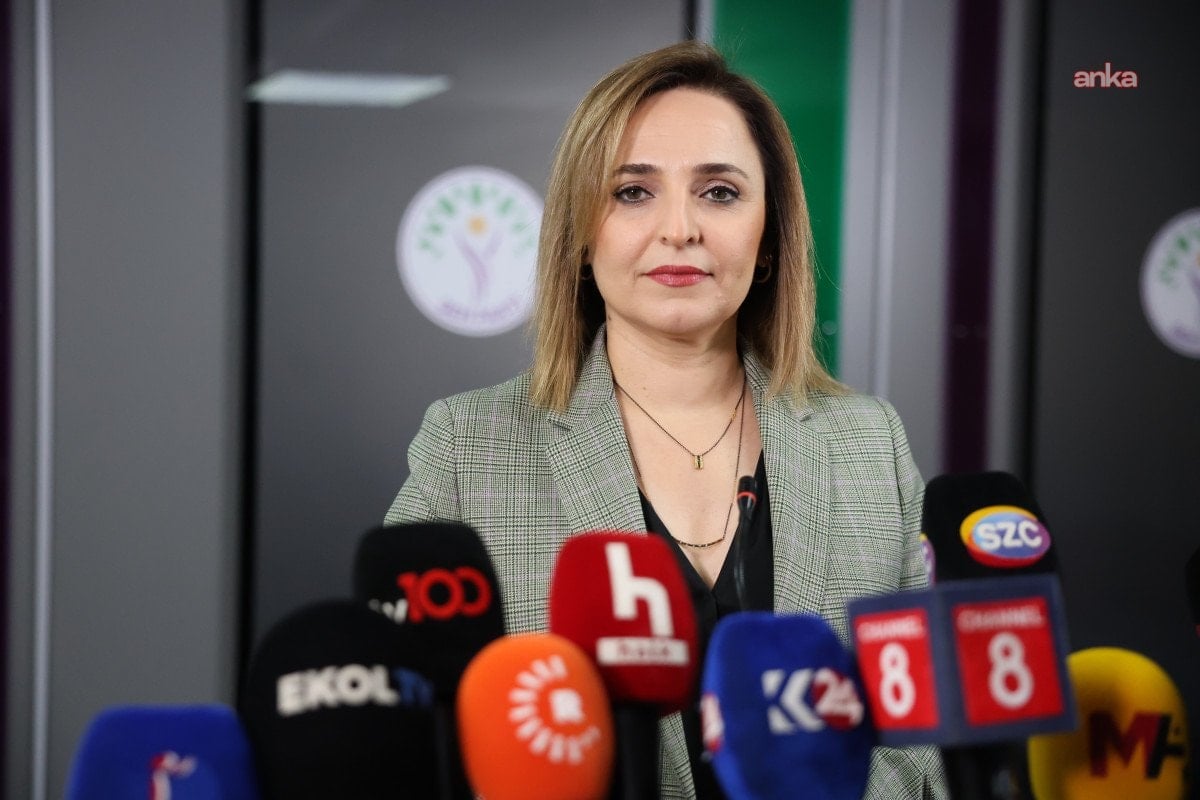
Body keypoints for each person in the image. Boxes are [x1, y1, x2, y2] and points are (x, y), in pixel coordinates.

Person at [386, 40, 947, 799]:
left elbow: (924, 744)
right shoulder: (468, 449)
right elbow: (404, 736)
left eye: (719, 192)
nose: (679, 228)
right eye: (632, 192)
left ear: (770, 237)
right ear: (582, 237)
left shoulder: (868, 443)